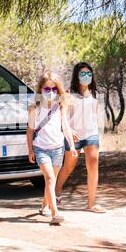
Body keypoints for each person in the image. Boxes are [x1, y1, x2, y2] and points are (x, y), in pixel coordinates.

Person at [27, 72, 78, 225]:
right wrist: (30, 150)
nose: (50, 92)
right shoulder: (35, 106)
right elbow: (29, 130)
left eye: (54, 89)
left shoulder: (60, 105)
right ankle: (55, 214)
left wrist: (72, 146)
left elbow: (66, 127)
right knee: (49, 179)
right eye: (46, 89)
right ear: (41, 89)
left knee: (51, 181)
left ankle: (44, 207)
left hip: (58, 148)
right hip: (41, 148)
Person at [55, 62, 106, 213]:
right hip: (73, 136)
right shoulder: (68, 94)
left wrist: (98, 133)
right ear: (77, 76)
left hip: (91, 134)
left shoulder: (95, 93)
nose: (86, 76)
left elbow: (95, 115)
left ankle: (91, 203)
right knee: (69, 166)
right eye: (83, 74)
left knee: (93, 163)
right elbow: (62, 116)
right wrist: (69, 131)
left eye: (89, 73)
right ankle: (56, 192)